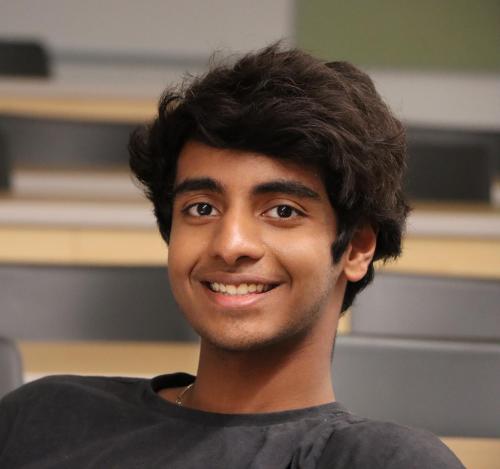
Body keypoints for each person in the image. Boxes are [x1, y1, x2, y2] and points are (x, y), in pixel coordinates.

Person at [0, 44, 464, 468]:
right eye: (202, 208)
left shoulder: (381, 461)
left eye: (282, 211)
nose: (230, 243)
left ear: (358, 247)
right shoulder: (44, 416)